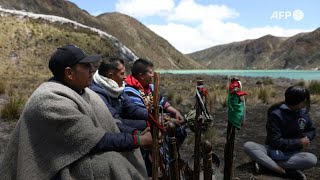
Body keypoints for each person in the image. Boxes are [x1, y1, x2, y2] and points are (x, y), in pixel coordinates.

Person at [0, 45, 152, 180]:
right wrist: (138, 141)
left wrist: (135, 134)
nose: (92, 69)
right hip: (47, 169)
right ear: (69, 73)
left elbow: (110, 124)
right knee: (106, 164)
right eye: (86, 66)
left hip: (69, 154)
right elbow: (94, 141)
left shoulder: (83, 92)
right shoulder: (49, 100)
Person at [124, 58, 187, 176]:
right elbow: (142, 113)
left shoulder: (151, 87)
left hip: (156, 120)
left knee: (180, 132)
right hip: (143, 126)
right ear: (141, 75)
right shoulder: (130, 90)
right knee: (165, 135)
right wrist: (168, 119)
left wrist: (175, 111)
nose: (152, 75)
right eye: (150, 72)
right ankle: (157, 167)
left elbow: (162, 102)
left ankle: (171, 160)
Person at [243, 86, 317, 180]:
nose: (306, 102)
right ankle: (280, 169)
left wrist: (306, 138)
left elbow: (311, 130)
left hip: (293, 153)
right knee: (249, 145)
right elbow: (275, 141)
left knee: (311, 159)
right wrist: (298, 142)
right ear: (298, 101)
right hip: (272, 149)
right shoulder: (276, 115)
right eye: (305, 100)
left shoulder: (303, 113)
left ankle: (266, 165)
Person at [89, 57, 148, 131]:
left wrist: (151, 116)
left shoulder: (117, 88)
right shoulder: (97, 94)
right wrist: (146, 124)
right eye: (122, 74)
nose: (125, 77)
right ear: (110, 76)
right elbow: (115, 121)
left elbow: (132, 108)